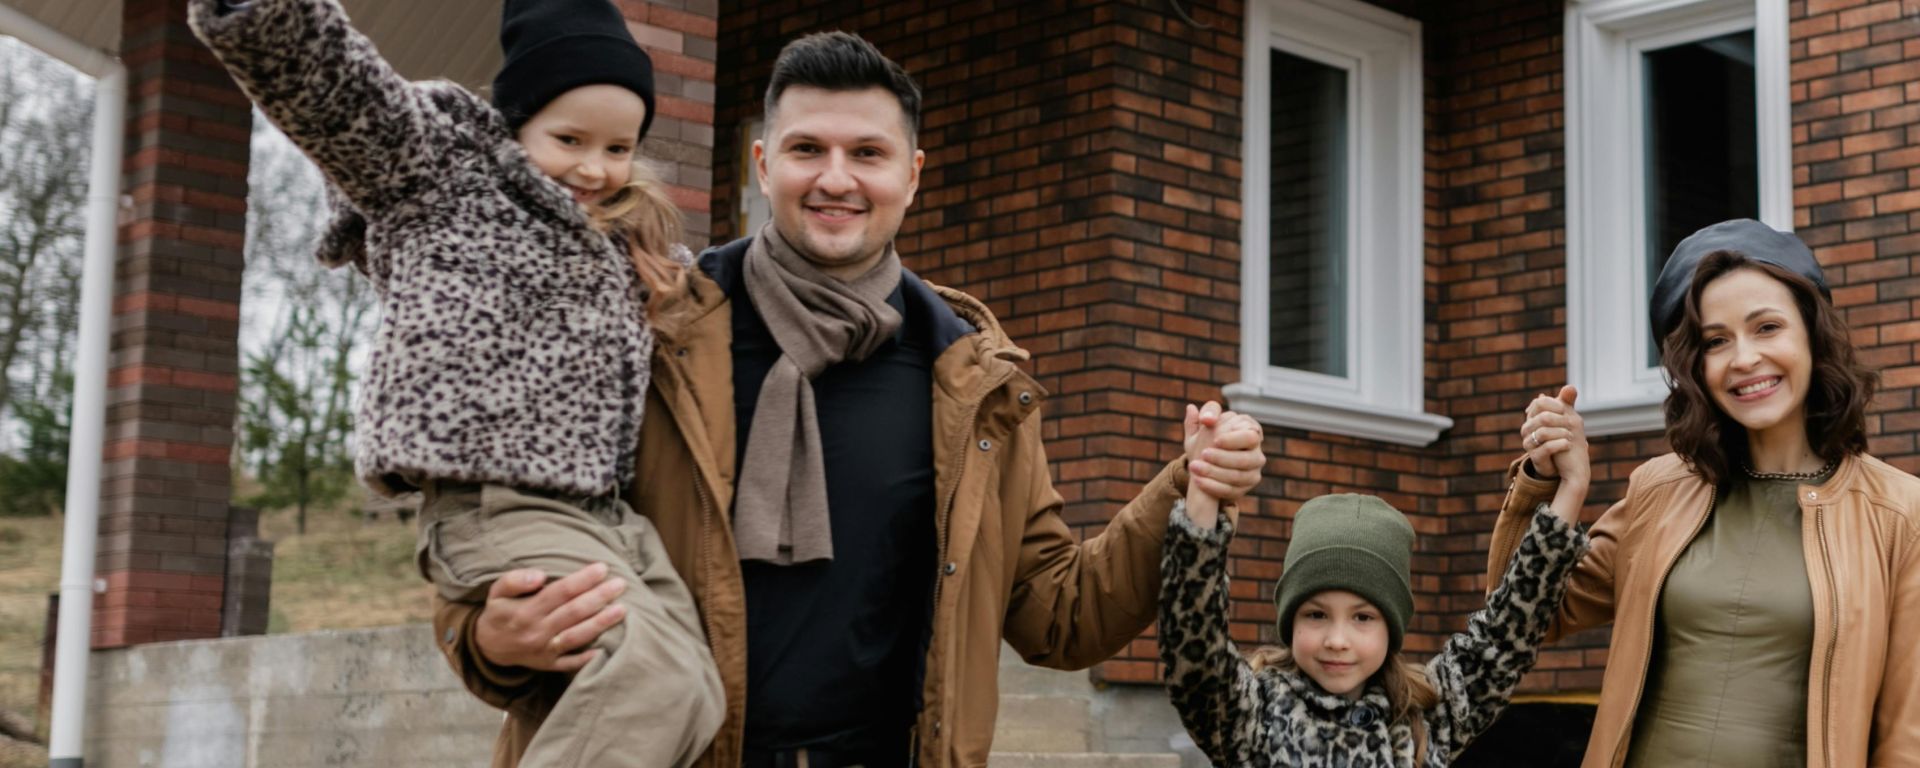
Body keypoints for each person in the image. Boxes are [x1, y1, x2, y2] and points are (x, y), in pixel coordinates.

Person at [432, 30, 1270, 768]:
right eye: (807, 150)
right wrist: (491, 640)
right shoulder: (643, 327)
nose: (836, 179)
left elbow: (1059, 617)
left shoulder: (975, 379)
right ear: (763, 165)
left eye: (867, 154)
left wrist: (1185, 491)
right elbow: (498, 538)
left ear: (911, 175)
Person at [188, 0, 724, 765]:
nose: (595, 169)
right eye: (568, 140)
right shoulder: (445, 180)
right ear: (514, 126)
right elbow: (336, 88)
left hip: (602, 518)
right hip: (498, 506)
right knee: (655, 678)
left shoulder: (616, 248)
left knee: (695, 691)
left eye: (618, 147)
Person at [1490, 218, 1920, 767]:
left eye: (1767, 328)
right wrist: (1556, 486)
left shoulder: (1900, 514)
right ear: (1696, 368)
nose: (1744, 359)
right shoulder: (1659, 490)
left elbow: (1906, 739)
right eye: (1716, 341)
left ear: (1812, 336)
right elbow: (1521, 622)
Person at [1159, 400, 1591, 766]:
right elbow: (1193, 647)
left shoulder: (1425, 718)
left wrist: (1570, 487)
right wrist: (1204, 490)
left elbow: (1507, 635)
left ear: (1392, 627)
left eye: (1363, 616)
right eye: (1316, 614)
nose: (1337, 639)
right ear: (1289, 620)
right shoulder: (1252, 714)